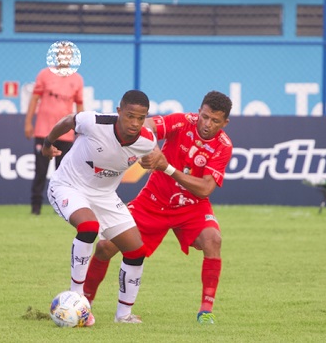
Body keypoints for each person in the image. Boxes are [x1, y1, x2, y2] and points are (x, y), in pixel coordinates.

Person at [83, 90, 233, 324]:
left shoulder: (223, 146)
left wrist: (167, 167)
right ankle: (84, 302)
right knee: (105, 246)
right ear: (199, 112)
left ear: (225, 123)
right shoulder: (183, 121)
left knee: (213, 240)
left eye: (215, 121)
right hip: (153, 202)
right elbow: (150, 125)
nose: (207, 124)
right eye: (204, 116)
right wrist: (151, 148)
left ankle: (206, 311)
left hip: (192, 207)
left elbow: (205, 189)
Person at [42, 89, 157, 326]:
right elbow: (68, 121)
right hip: (68, 185)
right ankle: (78, 297)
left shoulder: (147, 141)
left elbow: (152, 156)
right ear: (118, 112)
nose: (134, 123)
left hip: (104, 196)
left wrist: (151, 161)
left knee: (136, 251)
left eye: (141, 117)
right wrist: (47, 144)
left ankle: (123, 316)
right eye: (129, 116)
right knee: (89, 226)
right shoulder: (94, 122)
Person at [24, 42, 84, 215]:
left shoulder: (77, 79)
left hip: (65, 134)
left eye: (68, 54)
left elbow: (80, 106)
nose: (64, 57)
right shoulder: (44, 74)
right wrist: (28, 123)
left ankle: (62, 208)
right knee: (40, 171)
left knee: (63, 175)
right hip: (44, 131)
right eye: (61, 53)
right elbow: (34, 100)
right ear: (56, 56)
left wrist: (81, 130)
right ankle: (36, 208)